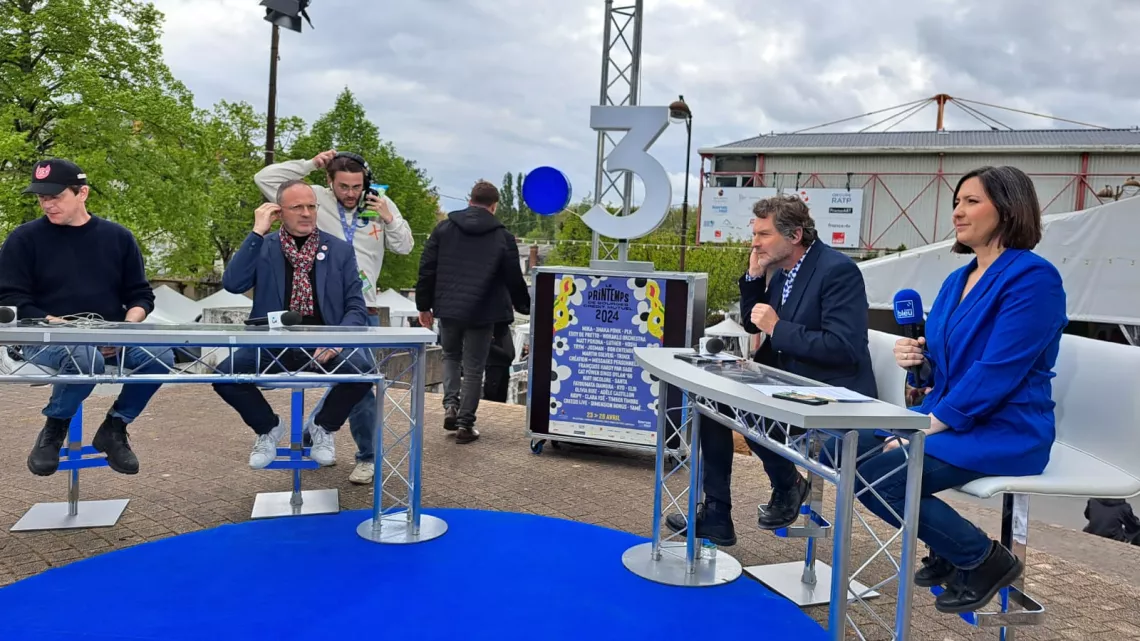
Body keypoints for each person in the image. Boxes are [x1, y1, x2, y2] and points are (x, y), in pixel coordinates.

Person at [879, 165, 1067, 613]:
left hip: (1006, 429)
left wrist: (924, 428)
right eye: (956, 203)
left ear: (1007, 209)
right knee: (844, 449)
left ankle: (981, 559)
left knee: (882, 477)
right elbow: (944, 369)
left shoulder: (1034, 280)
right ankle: (947, 547)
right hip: (953, 418)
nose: (958, 213)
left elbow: (997, 370)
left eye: (971, 201)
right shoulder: (956, 280)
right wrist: (918, 364)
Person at [666, 194, 876, 546]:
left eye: (763, 235)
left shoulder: (837, 270)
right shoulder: (784, 272)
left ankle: (787, 485)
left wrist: (779, 328)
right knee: (711, 399)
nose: (755, 241)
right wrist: (753, 276)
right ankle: (718, 513)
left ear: (794, 236)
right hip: (787, 384)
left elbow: (844, 347)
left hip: (830, 395)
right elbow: (753, 324)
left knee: (738, 407)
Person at [0, 158, 175, 476]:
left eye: (55, 196)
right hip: (44, 336)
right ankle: (54, 429)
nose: (47, 204)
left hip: (110, 334)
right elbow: (11, 299)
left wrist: (123, 330)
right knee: (85, 356)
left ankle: (114, 427)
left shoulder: (118, 238)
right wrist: (64, 327)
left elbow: (140, 296)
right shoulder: (23, 239)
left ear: (83, 193)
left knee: (161, 354)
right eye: (41, 197)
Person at [254, 150, 413, 484]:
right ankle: (343, 444)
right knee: (357, 380)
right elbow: (264, 179)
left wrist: (389, 217)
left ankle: (336, 441)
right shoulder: (315, 201)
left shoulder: (379, 203)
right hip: (321, 312)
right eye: (343, 186)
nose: (351, 193)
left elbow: (405, 246)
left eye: (357, 186)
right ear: (330, 183)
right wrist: (310, 164)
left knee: (360, 380)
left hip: (362, 310)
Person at [212, 180, 375, 469]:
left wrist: (337, 340)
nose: (306, 213)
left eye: (311, 206)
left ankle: (322, 428)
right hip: (272, 342)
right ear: (279, 212)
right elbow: (233, 284)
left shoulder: (339, 250)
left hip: (324, 343)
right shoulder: (263, 246)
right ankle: (268, 427)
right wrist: (257, 231)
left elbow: (355, 307)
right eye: (297, 207)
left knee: (363, 372)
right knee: (225, 375)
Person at [415, 180, 530, 444]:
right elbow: (514, 277)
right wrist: (526, 307)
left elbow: (427, 268)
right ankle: (465, 425)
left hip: (449, 309)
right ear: (494, 206)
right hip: (484, 311)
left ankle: (450, 406)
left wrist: (424, 305)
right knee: (475, 367)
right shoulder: (503, 237)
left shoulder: (443, 229)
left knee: (450, 357)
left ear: (469, 201)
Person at [482, 321, 515, 403]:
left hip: (498, 364)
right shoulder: (499, 326)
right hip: (496, 364)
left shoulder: (502, 327)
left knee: (496, 396)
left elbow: (509, 354)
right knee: (494, 396)